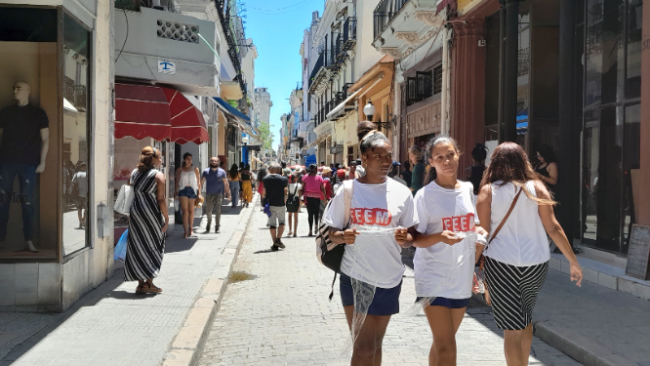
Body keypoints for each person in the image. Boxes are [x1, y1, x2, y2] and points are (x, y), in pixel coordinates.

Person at [476, 142, 583, 366]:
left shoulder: (489, 191)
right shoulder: (537, 187)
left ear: (494, 163)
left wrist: (468, 267)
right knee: (524, 318)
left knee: (511, 329)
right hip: (536, 264)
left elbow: (482, 234)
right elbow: (553, 227)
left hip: (501, 264)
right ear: (523, 161)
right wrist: (573, 261)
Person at [323, 131, 417, 366]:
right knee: (363, 346)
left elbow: (413, 236)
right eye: (378, 156)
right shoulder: (348, 190)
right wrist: (343, 236)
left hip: (390, 277)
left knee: (375, 344)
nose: (386, 161)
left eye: (389, 156)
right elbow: (330, 232)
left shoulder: (402, 192)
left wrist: (406, 238)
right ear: (364, 158)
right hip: (355, 276)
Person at [412, 136, 488, 366]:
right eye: (440, 157)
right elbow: (413, 239)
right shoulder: (424, 196)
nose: (447, 161)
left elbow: (471, 225)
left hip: (461, 278)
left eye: (451, 155)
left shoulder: (467, 189)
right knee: (448, 348)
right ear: (432, 162)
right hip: (432, 277)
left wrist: (479, 235)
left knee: (443, 343)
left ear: (459, 154)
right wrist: (438, 237)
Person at [125, 146, 169, 294]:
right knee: (154, 245)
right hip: (151, 214)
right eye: (160, 157)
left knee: (138, 245)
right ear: (153, 159)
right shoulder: (158, 176)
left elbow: (129, 191)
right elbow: (161, 199)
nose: (161, 160)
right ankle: (149, 283)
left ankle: (140, 283)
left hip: (136, 212)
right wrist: (167, 217)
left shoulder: (134, 173)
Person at [200, 157, 230, 233]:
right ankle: (208, 224)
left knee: (218, 211)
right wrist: (199, 193)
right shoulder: (206, 171)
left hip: (219, 194)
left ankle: (217, 227)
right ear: (210, 162)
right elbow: (201, 182)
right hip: (209, 194)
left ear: (218, 162)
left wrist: (229, 194)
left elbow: (226, 183)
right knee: (208, 211)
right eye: (212, 161)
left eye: (215, 161)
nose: (213, 162)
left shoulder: (222, 172)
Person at [262, 163, 288, 250]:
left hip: (270, 204)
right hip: (280, 203)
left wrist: (263, 203)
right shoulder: (283, 179)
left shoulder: (265, 179)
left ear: (270, 169)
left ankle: (274, 243)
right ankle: (278, 239)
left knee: (272, 224)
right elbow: (285, 190)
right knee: (282, 222)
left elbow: (263, 192)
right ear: (279, 170)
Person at [175, 152, 201, 238]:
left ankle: (191, 228)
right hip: (182, 190)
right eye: (187, 159)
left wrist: (199, 193)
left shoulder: (195, 169)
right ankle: (185, 231)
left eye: (190, 159)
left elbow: (198, 182)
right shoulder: (180, 169)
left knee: (191, 211)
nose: (189, 161)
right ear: (184, 160)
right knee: (185, 211)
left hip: (192, 190)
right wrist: (175, 191)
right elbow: (177, 181)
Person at [302, 164, 326, 236]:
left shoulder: (305, 177)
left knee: (310, 214)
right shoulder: (319, 178)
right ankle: (316, 225)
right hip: (317, 197)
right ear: (315, 169)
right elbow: (322, 188)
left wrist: (302, 196)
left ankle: (310, 230)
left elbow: (302, 187)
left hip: (308, 197)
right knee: (316, 213)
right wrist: (325, 197)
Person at [70, 161, 88, 229]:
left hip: (78, 195)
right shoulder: (88, 174)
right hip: (86, 195)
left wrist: (70, 192)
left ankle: (80, 223)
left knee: (79, 209)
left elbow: (72, 183)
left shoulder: (76, 174)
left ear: (80, 167)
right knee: (86, 209)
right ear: (85, 167)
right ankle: (83, 219)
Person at [286, 173, 302, 237]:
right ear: (295, 178)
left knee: (289, 216)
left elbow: (287, 194)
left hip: (289, 201)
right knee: (296, 217)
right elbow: (300, 195)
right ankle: (295, 232)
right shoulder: (299, 185)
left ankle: (290, 230)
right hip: (296, 201)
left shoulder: (288, 185)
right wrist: (300, 204)